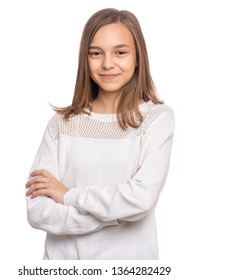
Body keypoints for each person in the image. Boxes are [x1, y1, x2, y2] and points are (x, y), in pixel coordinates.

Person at [25, 8, 175, 260]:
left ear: (138, 58)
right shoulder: (61, 124)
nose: (107, 63)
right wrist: (115, 215)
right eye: (96, 53)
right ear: (85, 58)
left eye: (120, 52)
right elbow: (38, 211)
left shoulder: (156, 119)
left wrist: (67, 195)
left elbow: (141, 198)